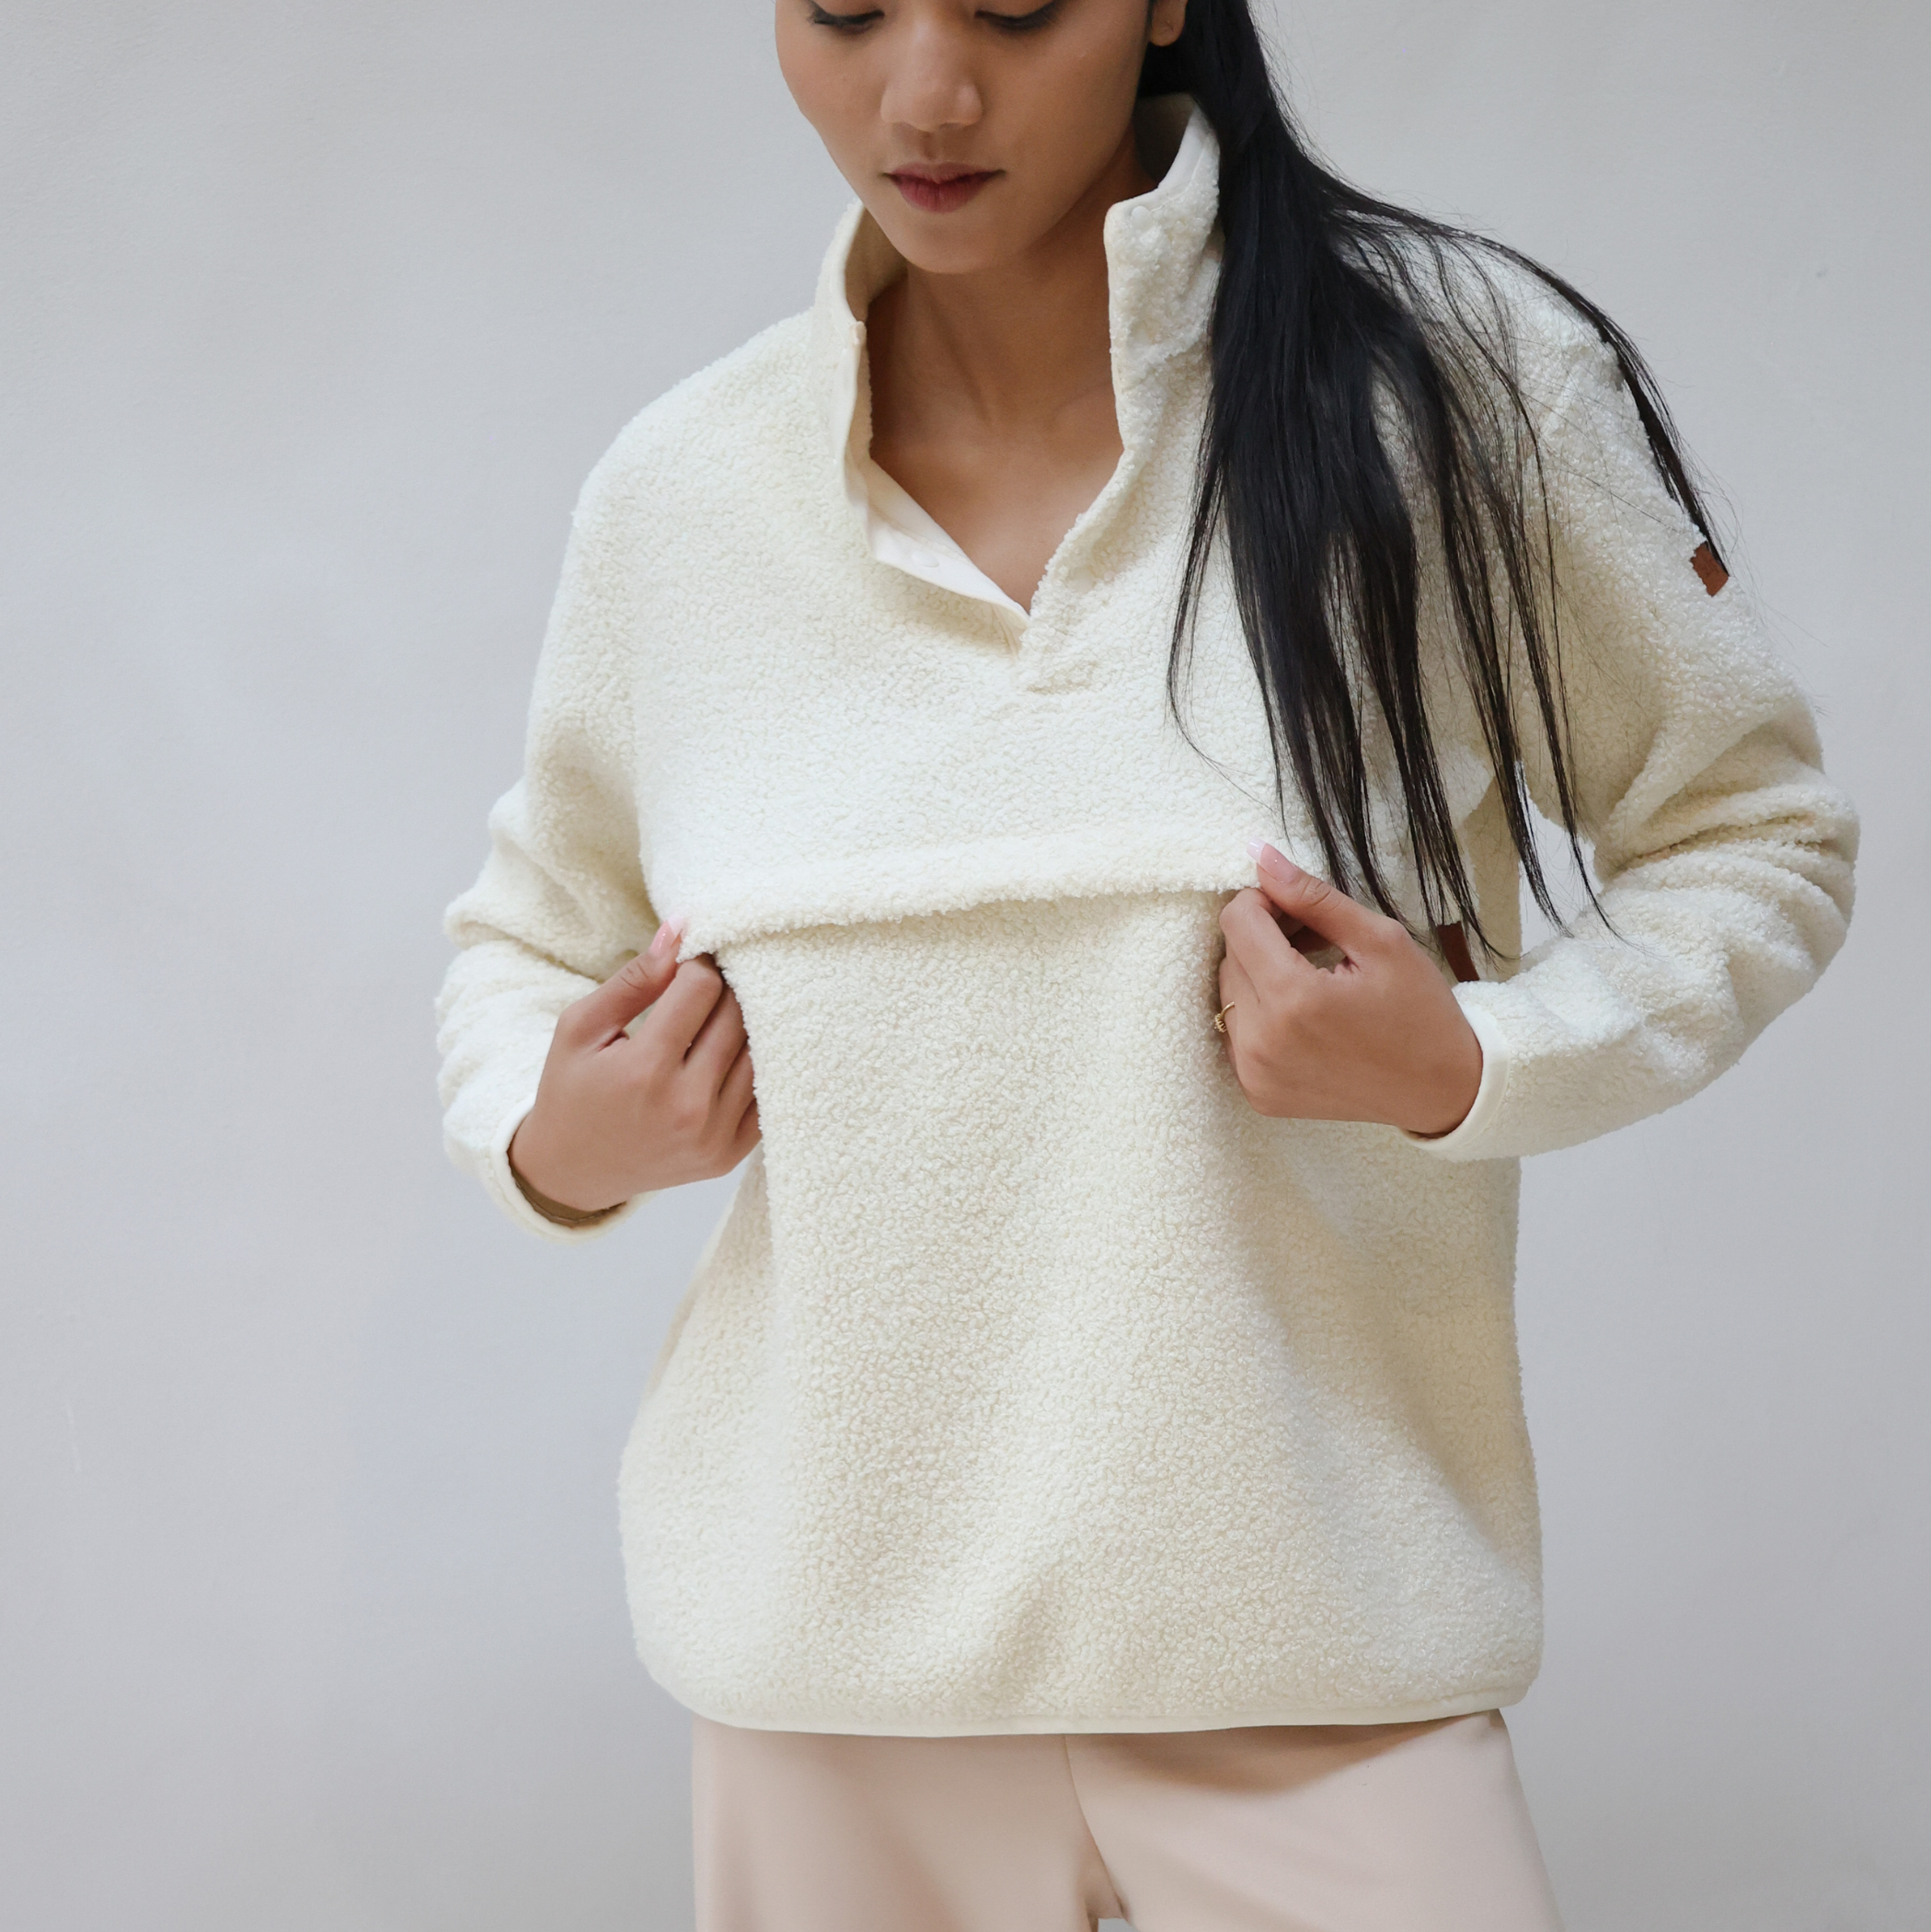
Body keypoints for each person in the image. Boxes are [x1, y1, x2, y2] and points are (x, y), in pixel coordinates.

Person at [433, 3, 1858, 1926]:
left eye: (1017, 7)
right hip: (829, 1694)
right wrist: (557, 1138)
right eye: (846, 9)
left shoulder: (1449, 389)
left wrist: (1478, 1061)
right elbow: (522, 944)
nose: (926, 94)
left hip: (1324, 1663)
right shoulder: (682, 495)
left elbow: (1754, 831)